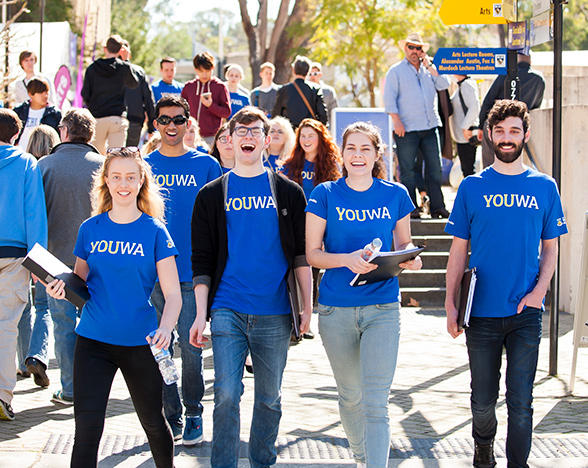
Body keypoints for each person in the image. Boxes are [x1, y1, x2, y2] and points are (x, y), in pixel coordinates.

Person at [445, 100, 568, 468]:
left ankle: (519, 464)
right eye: (500, 131)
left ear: (525, 135)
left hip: (525, 313)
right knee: (482, 400)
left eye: (514, 130)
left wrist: (538, 293)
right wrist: (451, 303)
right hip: (480, 311)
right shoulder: (471, 187)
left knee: (521, 400)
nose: (507, 137)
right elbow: (457, 252)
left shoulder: (545, 187)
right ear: (487, 136)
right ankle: (484, 450)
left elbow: (551, 248)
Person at [189, 106, 312, 467]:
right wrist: (200, 315)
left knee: (269, 398)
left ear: (267, 139)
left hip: (274, 313)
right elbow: (202, 260)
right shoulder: (211, 195)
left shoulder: (289, 193)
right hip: (227, 308)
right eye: (240, 131)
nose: (247, 137)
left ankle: (262, 460)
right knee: (226, 393)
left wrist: (306, 308)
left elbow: (301, 257)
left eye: (256, 131)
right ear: (227, 139)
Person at [45, 147, 181, 468]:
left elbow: (173, 294)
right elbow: (79, 285)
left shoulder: (155, 231)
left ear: (141, 180)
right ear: (105, 180)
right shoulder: (90, 229)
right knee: (87, 431)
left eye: (130, 177)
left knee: (153, 424)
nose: (123, 183)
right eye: (116, 176)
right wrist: (59, 289)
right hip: (93, 342)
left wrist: (166, 328)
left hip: (141, 344)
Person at [306, 121, 422, 466]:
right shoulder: (324, 194)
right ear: (342, 154)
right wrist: (346, 260)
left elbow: (404, 244)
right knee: (351, 396)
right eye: (351, 148)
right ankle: (361, 456)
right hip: (335, 310)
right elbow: (313, 253)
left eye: (365, 149)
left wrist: (410, 258)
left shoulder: (395, 194)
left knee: (375, 401)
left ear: (377, 155)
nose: (358, 155)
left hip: (383, 307)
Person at [145, 95, 222, 444]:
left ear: (189, 122)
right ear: (155, 124)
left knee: (191, 348)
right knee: (159, 347)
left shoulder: (206, 165)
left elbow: (219, 220)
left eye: (178, 119)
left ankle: (193, 412)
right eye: (164, 120)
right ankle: (169, 413)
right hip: (150, 274)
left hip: (191, 272)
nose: (171, 126)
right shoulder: (144, 165)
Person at [37, 108, 105, 405]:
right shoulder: (105, 165)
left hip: (55, 259)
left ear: (63, 131)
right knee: (96, 323)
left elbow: (36, 214)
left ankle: (71, 389)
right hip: (101, 260)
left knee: (63, 324)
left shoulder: (44, 166)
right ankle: (94, 386)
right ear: (91, 134)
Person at [0, 109, 47, 421]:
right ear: (15, 135)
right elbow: (35, 214)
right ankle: (2, 397)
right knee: (6, 328)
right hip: (14, 255)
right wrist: (38, 265)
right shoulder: (26, 163)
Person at [383, 32, 451, 219]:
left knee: (435, 168)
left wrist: (429, 65)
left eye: (418, 48)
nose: (414, 51)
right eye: (411, 47)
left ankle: (438, 207)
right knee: (407, 170)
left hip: (430, 127)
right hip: (406, 128)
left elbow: (445, 83)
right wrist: (396, 121)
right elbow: (389, 99)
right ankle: (411, 209)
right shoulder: (395, 71)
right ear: (405, 48)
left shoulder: (430, 69)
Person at [15, 125, 60, 388]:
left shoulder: (28, 168)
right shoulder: (54, 167)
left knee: (23, 306)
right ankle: (38, 356)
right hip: (52, 249)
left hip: (26, 246)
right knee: (44, 306)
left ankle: (23, 362)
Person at [478, 53, 545, 169]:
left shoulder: (505, 75)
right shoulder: (539, 79)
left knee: (489, 164)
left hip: (495, 124)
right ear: (530, 62)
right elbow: (536, 106)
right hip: (519, 127)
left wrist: (480, 126)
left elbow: (488, 101)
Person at [81, 34, 139, 154]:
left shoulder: (92, 68)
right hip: (116, 117)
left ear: (105, 49)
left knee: (96, 157)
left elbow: (85, 94)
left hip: (97, 118)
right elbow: (134, 84)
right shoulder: (123, 67)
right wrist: (126, 60)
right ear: (120, 50)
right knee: (116, 156)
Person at [282, 118, 341, 201]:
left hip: (321, 212)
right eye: (303, 136)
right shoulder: (289, 164)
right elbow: (281, 193)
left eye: (311, 136)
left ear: (321, 138)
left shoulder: (332, 165)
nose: (306, 140)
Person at [181, 51, 231, 147]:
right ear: (195, 69)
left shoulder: (220, 86)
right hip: (190, 136)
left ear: (213, 68)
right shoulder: (189, 87)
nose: (204, 75)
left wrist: (211, 106)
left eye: (207, 71)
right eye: (201, 71)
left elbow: (226, 112)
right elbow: (181, 110)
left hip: (211, 137)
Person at [272, 55, 328, 128]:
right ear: (308, 72)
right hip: (308, 132)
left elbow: (276, 115)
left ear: (293, 70)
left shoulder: (284, 90)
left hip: (290, 133)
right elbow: (323, 115)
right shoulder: (315, 89)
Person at [119, 40, 156, 146]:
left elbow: (148, 99)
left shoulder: (108, 71)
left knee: (113, 156)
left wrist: (151, 126)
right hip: (133, 120)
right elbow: (149, 99)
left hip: (127, 120)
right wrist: (151, 127)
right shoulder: (138, 71)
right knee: (130, 155)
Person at [14, 77, 62, 150]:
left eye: (46, 92)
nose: (45, 95)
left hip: (43, 154)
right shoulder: (19, 111)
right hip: (21, 153)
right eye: (40, 92)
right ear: (31, 94)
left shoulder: (54, 114)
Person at [449, 74, 480, 177]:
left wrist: (465, 126)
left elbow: (475, 106)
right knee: (466, 169)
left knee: (468, 170)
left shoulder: (467, 85)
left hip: (466, 134)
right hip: (461, 135)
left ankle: (471, 192)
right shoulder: (461, 85)